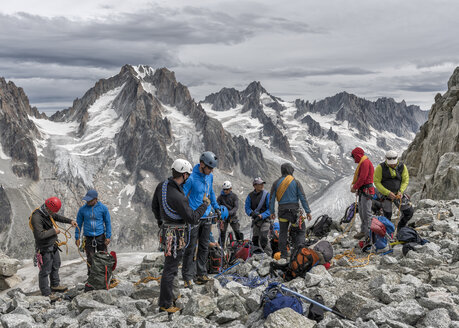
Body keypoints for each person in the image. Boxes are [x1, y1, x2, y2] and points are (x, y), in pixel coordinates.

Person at [152, 158, 209, 313]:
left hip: (166, 231)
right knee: (170, 268)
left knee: (171, 266)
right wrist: (204, 204)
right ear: (184, 175)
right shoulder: (179, 197)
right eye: (187, 176)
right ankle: (165, 303)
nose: (188, 178)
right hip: (176, 235)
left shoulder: (162, 186)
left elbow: (154, 206)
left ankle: (172, 295)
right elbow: (193, 218)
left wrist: (160, 222)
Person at [181, 151, 221, 287]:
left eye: (212, 168)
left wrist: (216, 207)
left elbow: (211, 193)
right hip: (194, 217)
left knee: (204, 247)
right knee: (190, 247)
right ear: (202, 164)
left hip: (207, 216)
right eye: (210, 168)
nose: (211, 170)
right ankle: (187, 277)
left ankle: (201, 274)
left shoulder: (209, 177)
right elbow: (182, 196)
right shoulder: (191, 178)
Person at [29, 197, 77, 297]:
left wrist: (70, 221)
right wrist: (53, 231)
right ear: (48, 208)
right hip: (44, 247)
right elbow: (39, 235)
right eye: (52, 211)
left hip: (52, 244)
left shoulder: (47, 213)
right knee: (45, 271)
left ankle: (55, 285)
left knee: (56, 264)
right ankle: (46, 293)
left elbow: (57, 217)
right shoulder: (36, 217)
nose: (53, 214)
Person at [269, 163, 312, 259]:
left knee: (283, 232)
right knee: (300, 231)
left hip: (282, 212)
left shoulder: (276, 183)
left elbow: (271, 199)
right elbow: (302, 197)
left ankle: (283, 254)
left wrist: (272, 212)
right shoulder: (296, 182)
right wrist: (308, 211)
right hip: (294, 212)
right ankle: (299, 253)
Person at [374, 150, 414, 229]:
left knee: (408, 212)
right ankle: (387, 232)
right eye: (390, 164)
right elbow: (376, 182)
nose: (392, 165)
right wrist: (387, 193)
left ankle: (400, 228)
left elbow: (405, 180)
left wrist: (401, 191)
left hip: (398, 194)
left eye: (394, 164)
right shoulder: (380, 168)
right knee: (387, 215)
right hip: (385, 195)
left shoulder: (402, 166)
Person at [75, 189, 112, 275]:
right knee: (90, 259)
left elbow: (107, 223)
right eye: (87, 200)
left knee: (103, 257)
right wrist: (77, 237)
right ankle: (91, 277)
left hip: (100, 237)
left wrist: (108, 236)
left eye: (90, 200)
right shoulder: (82, 210)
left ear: (95, 199)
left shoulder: (103, 208)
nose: (87, 202)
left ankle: (105, 276)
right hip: (88, 237)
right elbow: (78, 224)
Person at [350, 147, 375, 240]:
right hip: (363, 191)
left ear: (357, 155)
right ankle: (364, 231)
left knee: (366, 213)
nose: (354, 159)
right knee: (362, 212)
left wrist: (355, 187)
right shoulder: (364, 162)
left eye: (354, 156)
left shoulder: (365, 163)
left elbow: (362, 178)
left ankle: (369, 234)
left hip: (366, 191)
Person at [245, 177, 271, 254]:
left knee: (264, 236)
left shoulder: (267, 195)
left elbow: (270, 209)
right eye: (260, 184)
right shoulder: (250, 196)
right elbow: (247, 208)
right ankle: (257, 254)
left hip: (265, 220)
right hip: (256, 221)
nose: (262, 185)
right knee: (255, 238)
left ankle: (268, 254)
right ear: (255, 186)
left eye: (262, 184)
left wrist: (261, 215)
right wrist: (252, 213)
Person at [217, 180, 243, 246]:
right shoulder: (220, 197)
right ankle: (221, 248)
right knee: (222, 233)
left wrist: (229, 212)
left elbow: (236, 207)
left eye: (227, 189)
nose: (225, 191)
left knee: (237, 230)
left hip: (232, 216)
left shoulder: (234, 196)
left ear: (230, 189)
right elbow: (217, 206)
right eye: (224, 189)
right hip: (223, 217)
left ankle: (240, 244)